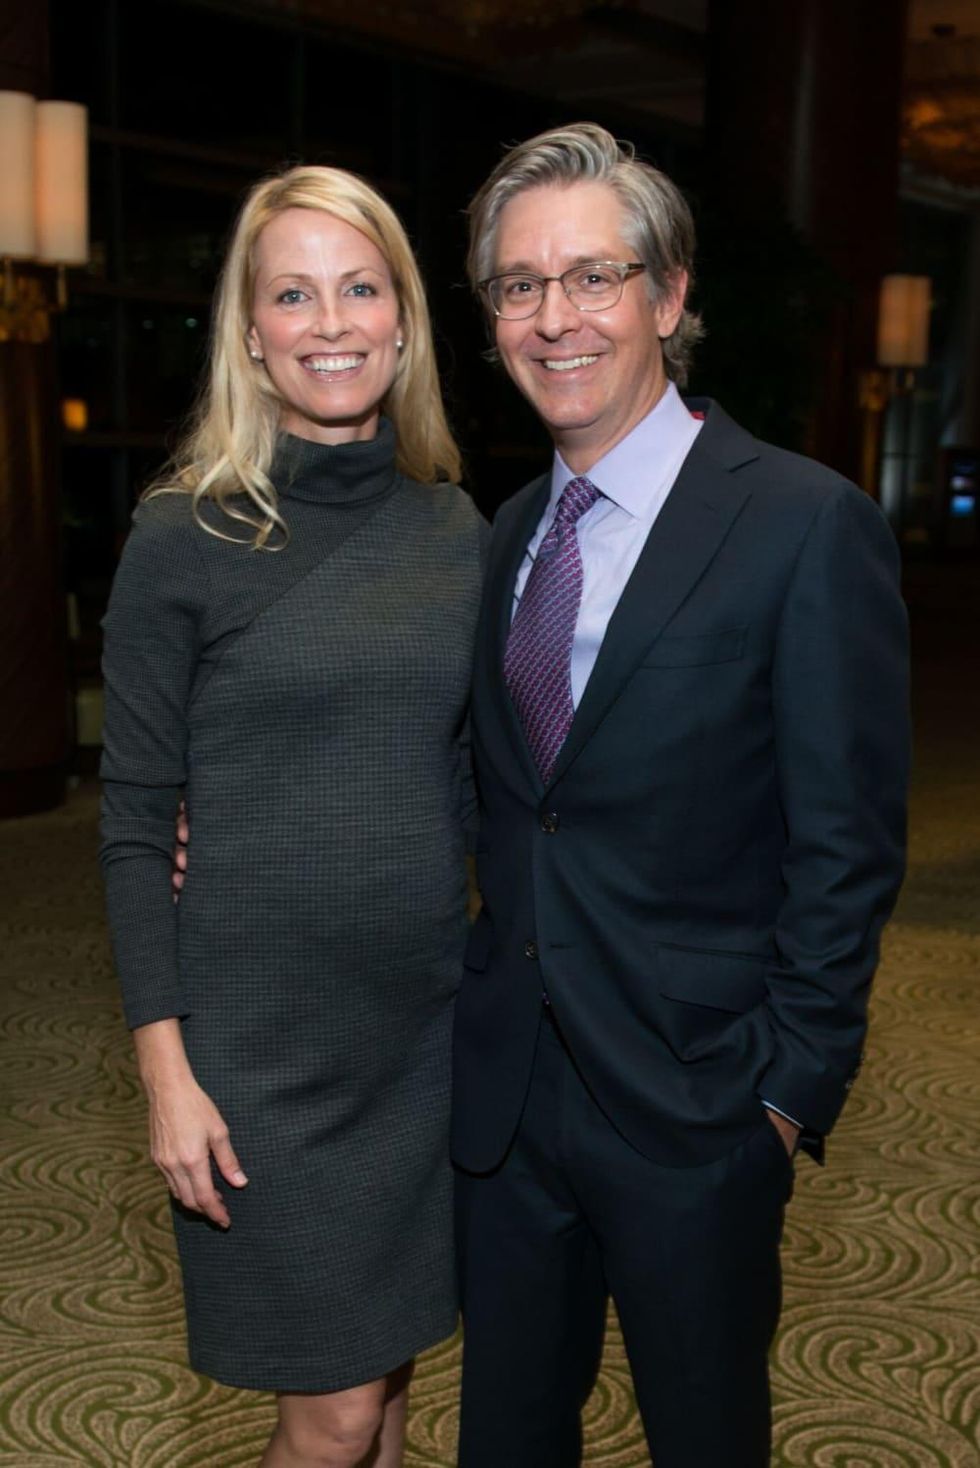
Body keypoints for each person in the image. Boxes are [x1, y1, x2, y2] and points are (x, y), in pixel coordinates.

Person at [451, 122, 909, 1468]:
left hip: (703, 1108)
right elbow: (494, 796)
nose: (556, 316)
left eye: (594, 276)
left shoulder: (804, 524)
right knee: (506, 1443)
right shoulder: (506, 538)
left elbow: (849, 842)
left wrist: (784, 1097)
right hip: (511, 1103)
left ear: (670, 296)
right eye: (520, 285)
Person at [99, 165, 485, 1468]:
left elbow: (487, 780)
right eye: (294, 292)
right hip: (259, 1055)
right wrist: (165, 1074)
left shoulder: (454, 531)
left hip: (418, 1038)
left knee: (383, 1394)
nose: (332, 319)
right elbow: (137, 818)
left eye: (360, 287)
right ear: (251, 334)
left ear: (404, 318)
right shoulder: (182, 535)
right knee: (326, 1417)